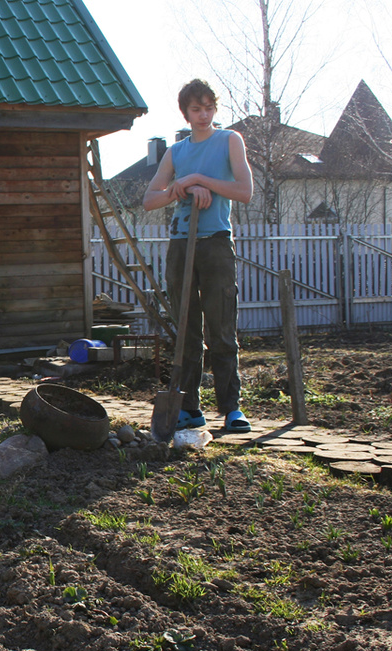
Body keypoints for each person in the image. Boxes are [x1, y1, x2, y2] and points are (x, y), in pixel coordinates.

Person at [143, 79, 254, 432]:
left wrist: (198, 179)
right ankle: (189, 407)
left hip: (216, 243)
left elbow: (244, 191)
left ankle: (231, 408)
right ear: (185, 113)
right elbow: (150, 200)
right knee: (187, 329)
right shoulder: (176, 152)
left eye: (209, 107)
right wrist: (183, 187)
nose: (204, 115)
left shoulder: (229, 141)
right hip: (181, 243)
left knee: (221, 326)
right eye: (196, 109)